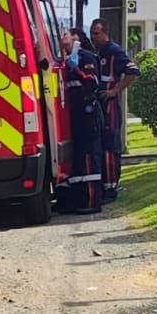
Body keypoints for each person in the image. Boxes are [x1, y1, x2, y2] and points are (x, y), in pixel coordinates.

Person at [90, 18, 140, 202]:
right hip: (99, 105)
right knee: (102, 146)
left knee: (111, 146)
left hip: (110, 106)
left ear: (105, 34)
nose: (93, 37)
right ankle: (103, 186)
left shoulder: (114, 51)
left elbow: (133, 71)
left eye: (96, 33)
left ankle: (111, 188)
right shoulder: (98, 52)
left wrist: (115, 90)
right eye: (92, 33)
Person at [55, 28, 104, 214]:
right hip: (73, 117)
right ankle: (76, 200)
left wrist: (75, 68)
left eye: (65, 35)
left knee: (90, 158)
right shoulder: (61, 60)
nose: (62, 38)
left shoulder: (85, 57)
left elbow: (92, 82)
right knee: (76, 160)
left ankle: (92, 201)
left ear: (74, 38)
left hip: (87, 113)